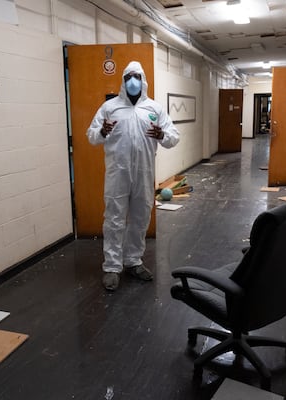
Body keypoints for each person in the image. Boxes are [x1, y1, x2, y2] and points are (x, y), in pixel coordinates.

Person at [87, 61, 180, 291]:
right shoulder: (109, 107)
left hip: (144, 172)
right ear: (122, 80)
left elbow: (173, 136)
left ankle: (133, 261)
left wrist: (161, 135)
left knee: (140, 218)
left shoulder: (154, 109)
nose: (132, 81)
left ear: (143, 79)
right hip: (117, 173)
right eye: (128, 76)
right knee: (114, 219)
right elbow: (91, 136)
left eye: (136, 76)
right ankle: (111, 266)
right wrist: (102, 131)